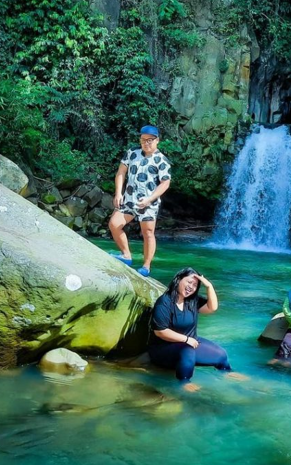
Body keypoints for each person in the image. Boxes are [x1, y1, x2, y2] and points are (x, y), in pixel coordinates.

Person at [148, 268, 231, 386]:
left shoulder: (192, 301)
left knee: (221, 355)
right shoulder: (164, 302)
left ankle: (227, 373)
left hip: (189, 343)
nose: (191, 287)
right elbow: (160, 332)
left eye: (195, 285)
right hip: (163, 348)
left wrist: (209, 286)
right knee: (188, 351)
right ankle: (184, 383)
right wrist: (186, 339)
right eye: (189, 282)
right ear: (178, 280)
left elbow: (212, 308)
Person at [109, 125, 171, 277]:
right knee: (114, 225)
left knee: (148, 233)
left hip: (148, 203)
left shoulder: (162, 160)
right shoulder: (132, 153)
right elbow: (121, 173)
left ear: (157, 140)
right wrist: (118, 193)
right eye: (143, 140)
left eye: (150, 140)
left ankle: (146, 266)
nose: (146, 143)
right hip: (129, 199)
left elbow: (165, 183)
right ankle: (126, 255)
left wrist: (150, 199)